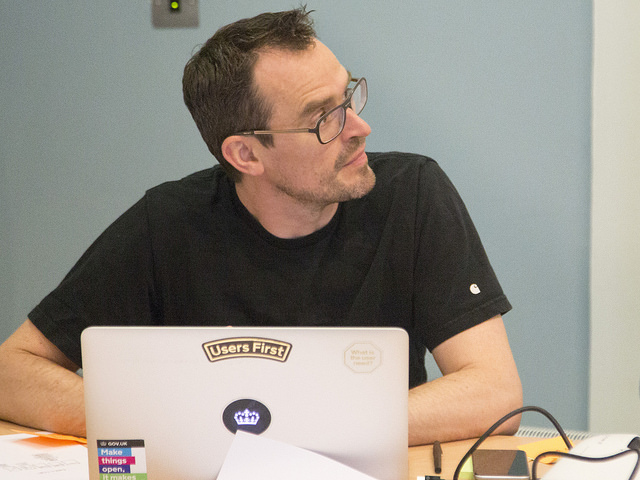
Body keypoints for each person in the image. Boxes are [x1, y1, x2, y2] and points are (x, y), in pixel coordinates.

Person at [0, 7, 522, 445]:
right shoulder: (168, 225)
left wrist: (292, 427)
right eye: (325, 118)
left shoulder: (411, 193)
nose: (359, 128)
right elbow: (13, 371)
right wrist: (171, 426)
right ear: (246, 154)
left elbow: (494, 393)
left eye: (349, 96)